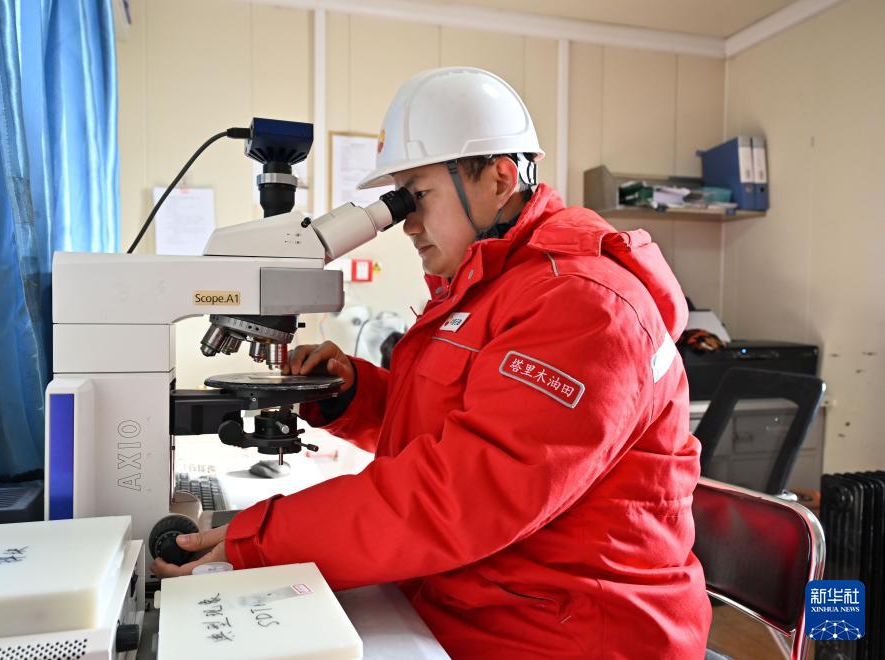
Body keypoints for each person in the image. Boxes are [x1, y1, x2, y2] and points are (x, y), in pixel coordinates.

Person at [153, 67, 712, 658]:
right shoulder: (492, 287)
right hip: (480, 597)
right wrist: (354, 395)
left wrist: (263, 540)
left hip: (570, 632)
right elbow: (459, 430)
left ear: (499, 177)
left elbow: (463, 495)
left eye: (415, 196)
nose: (407, 224)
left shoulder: (582, 302)